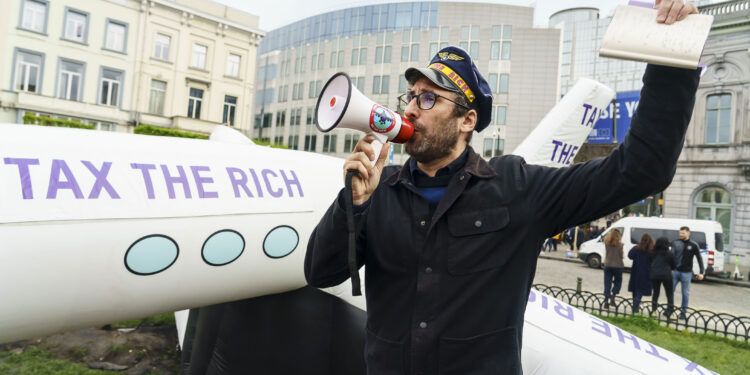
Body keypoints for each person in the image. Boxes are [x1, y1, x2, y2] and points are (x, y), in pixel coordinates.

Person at [305, 3, 700, 373]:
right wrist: (352, 205)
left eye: (428, 98)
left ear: (466, 120)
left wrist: (672, 59)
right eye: (410, 96)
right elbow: (320, 272)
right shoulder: (379, 193)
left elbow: (641, 170)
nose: (409, 109)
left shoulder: (517, 188)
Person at [671, 226, 705, 320]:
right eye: (680, 233)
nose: (681, 234)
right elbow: (671, 256)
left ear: (688, 233)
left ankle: (683, 313)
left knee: (685, 294)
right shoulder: (675, 242)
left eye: (683, 233)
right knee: (670, 291)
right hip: (676, 272)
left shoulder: (694, 244)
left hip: (687, 273)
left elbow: (699, 258)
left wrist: (701, 272)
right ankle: (670, 309)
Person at [650, 237, 677, 317]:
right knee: (669, 294)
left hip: (655, 275)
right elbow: (674, 265)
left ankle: (654, 311)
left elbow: (651, 261)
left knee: (655, 293)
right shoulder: (670, 253)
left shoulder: (653, 252)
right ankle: (670, 312)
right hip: (666, 275)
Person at [628, 233, 654, 313]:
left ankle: (635, 306)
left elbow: (630, 256)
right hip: (647, 272)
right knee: (640, 290)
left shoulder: (636, 248)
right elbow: (654, 260)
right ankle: (635, 306)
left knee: (635, 289)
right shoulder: (652, 250)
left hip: (636, 271)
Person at [602, 229, 624, 309]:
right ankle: (613, 298)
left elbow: (607, 253)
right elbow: (621, 256)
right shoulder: (621, 245)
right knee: (618, 282)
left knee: (607, 283)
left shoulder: (606, 243)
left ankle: (606, 301)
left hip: (608, 265)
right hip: (618, 266)